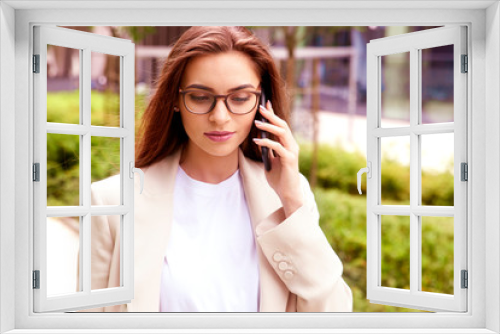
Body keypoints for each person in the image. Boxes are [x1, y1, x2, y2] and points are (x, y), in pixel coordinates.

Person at [80, 26, 352, 312]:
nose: (220, 117)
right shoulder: (112, 202)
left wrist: (292, 199)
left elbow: (334, 313)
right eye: (200, 97)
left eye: (240, 98)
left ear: (263, 102)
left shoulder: (288, 200)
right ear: (175, 99)